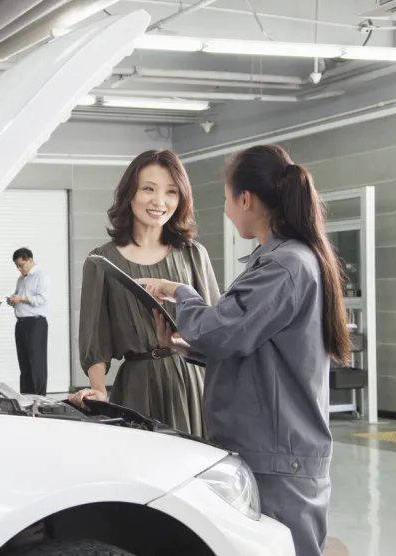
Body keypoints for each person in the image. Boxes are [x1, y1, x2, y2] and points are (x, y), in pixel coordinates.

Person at [141, 144, 349, 556]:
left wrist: (182, 293)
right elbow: (252, 346)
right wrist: (185, 345)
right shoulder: (276, 261)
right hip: (269, 449)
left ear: (246, 199)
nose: (226, 209)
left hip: (278, 456)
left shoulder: (284, 266)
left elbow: (222, 332)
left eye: (225, 198)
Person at [69, 149, 219, 437]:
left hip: (192, 382)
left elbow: (213, 326)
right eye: (148, 188)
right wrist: (98, 390)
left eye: (171, 192)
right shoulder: (101, 260)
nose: (159, 202)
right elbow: (94, 334)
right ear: (130, 194)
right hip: (136, 384)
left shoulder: (193, 254)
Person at [7, 247, 49, 396]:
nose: (20, 268)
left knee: (36, 361)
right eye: (17, 266)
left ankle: (39, 396)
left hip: (36, 324)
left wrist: (22, 299)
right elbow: (19, 295)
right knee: (24, 362)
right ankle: (26, 395)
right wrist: (13, 300)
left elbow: (42, 299)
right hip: (21, 323)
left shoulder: (40, 276)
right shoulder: (21, 279)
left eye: (21, 265)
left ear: (30, 260)